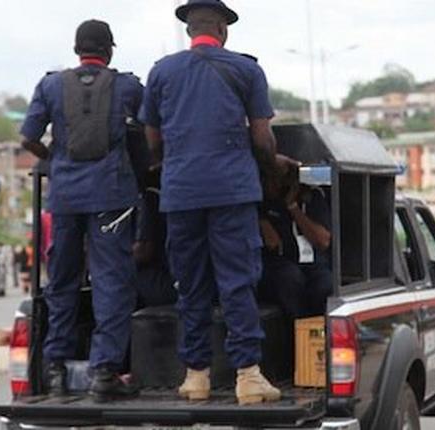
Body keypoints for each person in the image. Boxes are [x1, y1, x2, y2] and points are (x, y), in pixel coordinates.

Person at [140, 0, 286, 405]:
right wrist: (272, 167)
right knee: (237, 281)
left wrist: (172, 164)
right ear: (223, 30)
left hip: (181, 193)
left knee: (191, 284)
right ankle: (248, 377)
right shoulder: (246, 69)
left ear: (190, 30)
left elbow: (152, 138)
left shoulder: (161, 71)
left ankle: (196, 376)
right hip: (232, 191)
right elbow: (261, 137)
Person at [20, 19, 143, 401]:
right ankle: (104, 372)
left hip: (65, 199)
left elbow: (28, 137)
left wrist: (54, 160)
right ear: (109, 51)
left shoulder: (50, 85)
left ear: (77, 50)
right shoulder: (127, 86)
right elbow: (151, 132)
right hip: (111, 197)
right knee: (111, 282)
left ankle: (56, 369)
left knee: (62, 280)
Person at [259, 167, 332, 319]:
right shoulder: (261, 204)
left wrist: (293, 207)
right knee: (290, 279)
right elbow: (272, 243)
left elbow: (322, 241)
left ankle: (317, 335)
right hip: (280, 263)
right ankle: (299, 334)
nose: (275, 185)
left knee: (325, 285)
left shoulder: (312, 197)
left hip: (313, 263)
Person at [133, 173, 177, 308]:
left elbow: (144, 251)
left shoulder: (149, 198)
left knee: (112, 274)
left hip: (162, 281)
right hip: (182, 280)